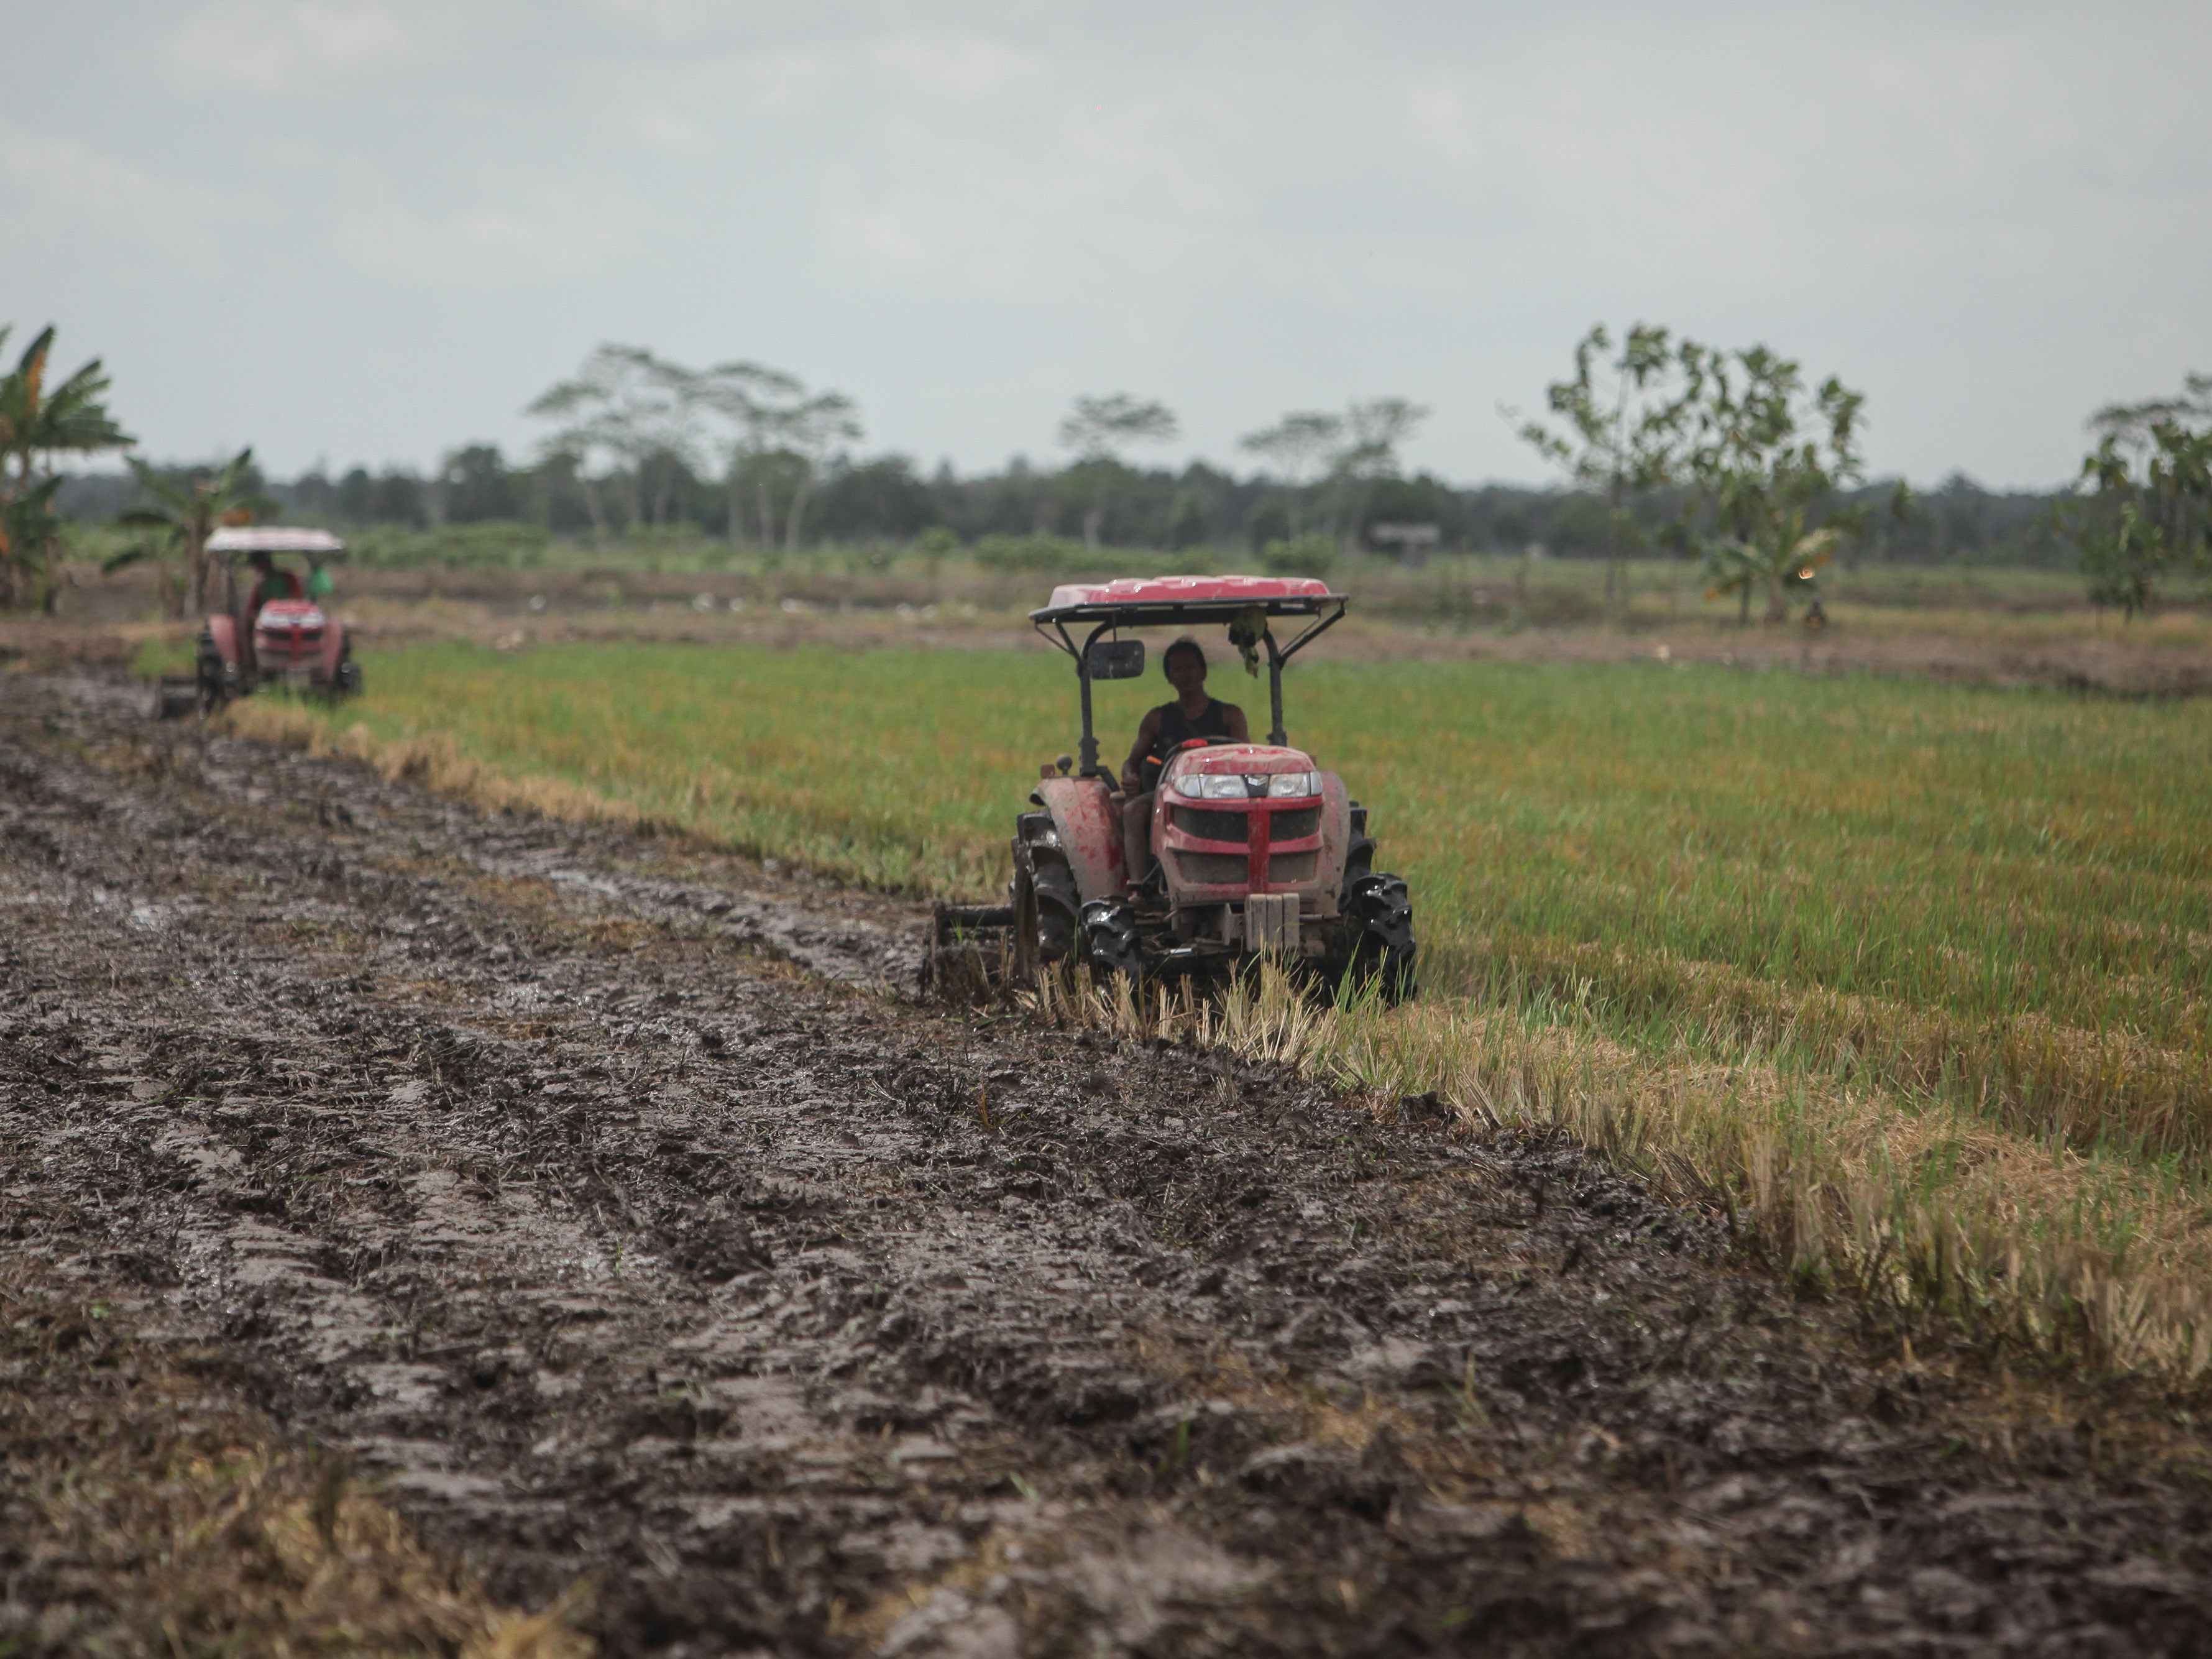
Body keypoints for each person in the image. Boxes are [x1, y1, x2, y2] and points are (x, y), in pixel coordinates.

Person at [1121, 636, 1249, 796]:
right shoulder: (1156, 719)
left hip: (1220, 793)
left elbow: (1246, 763)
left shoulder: (1230, 716)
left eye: (1190, 667)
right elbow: (1130, 764)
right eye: (1177, 669)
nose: (1185, 675)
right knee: (1134, 811)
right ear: (1169, 677)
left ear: (1203, 672)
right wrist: (1130, 778)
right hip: (1169, 794)